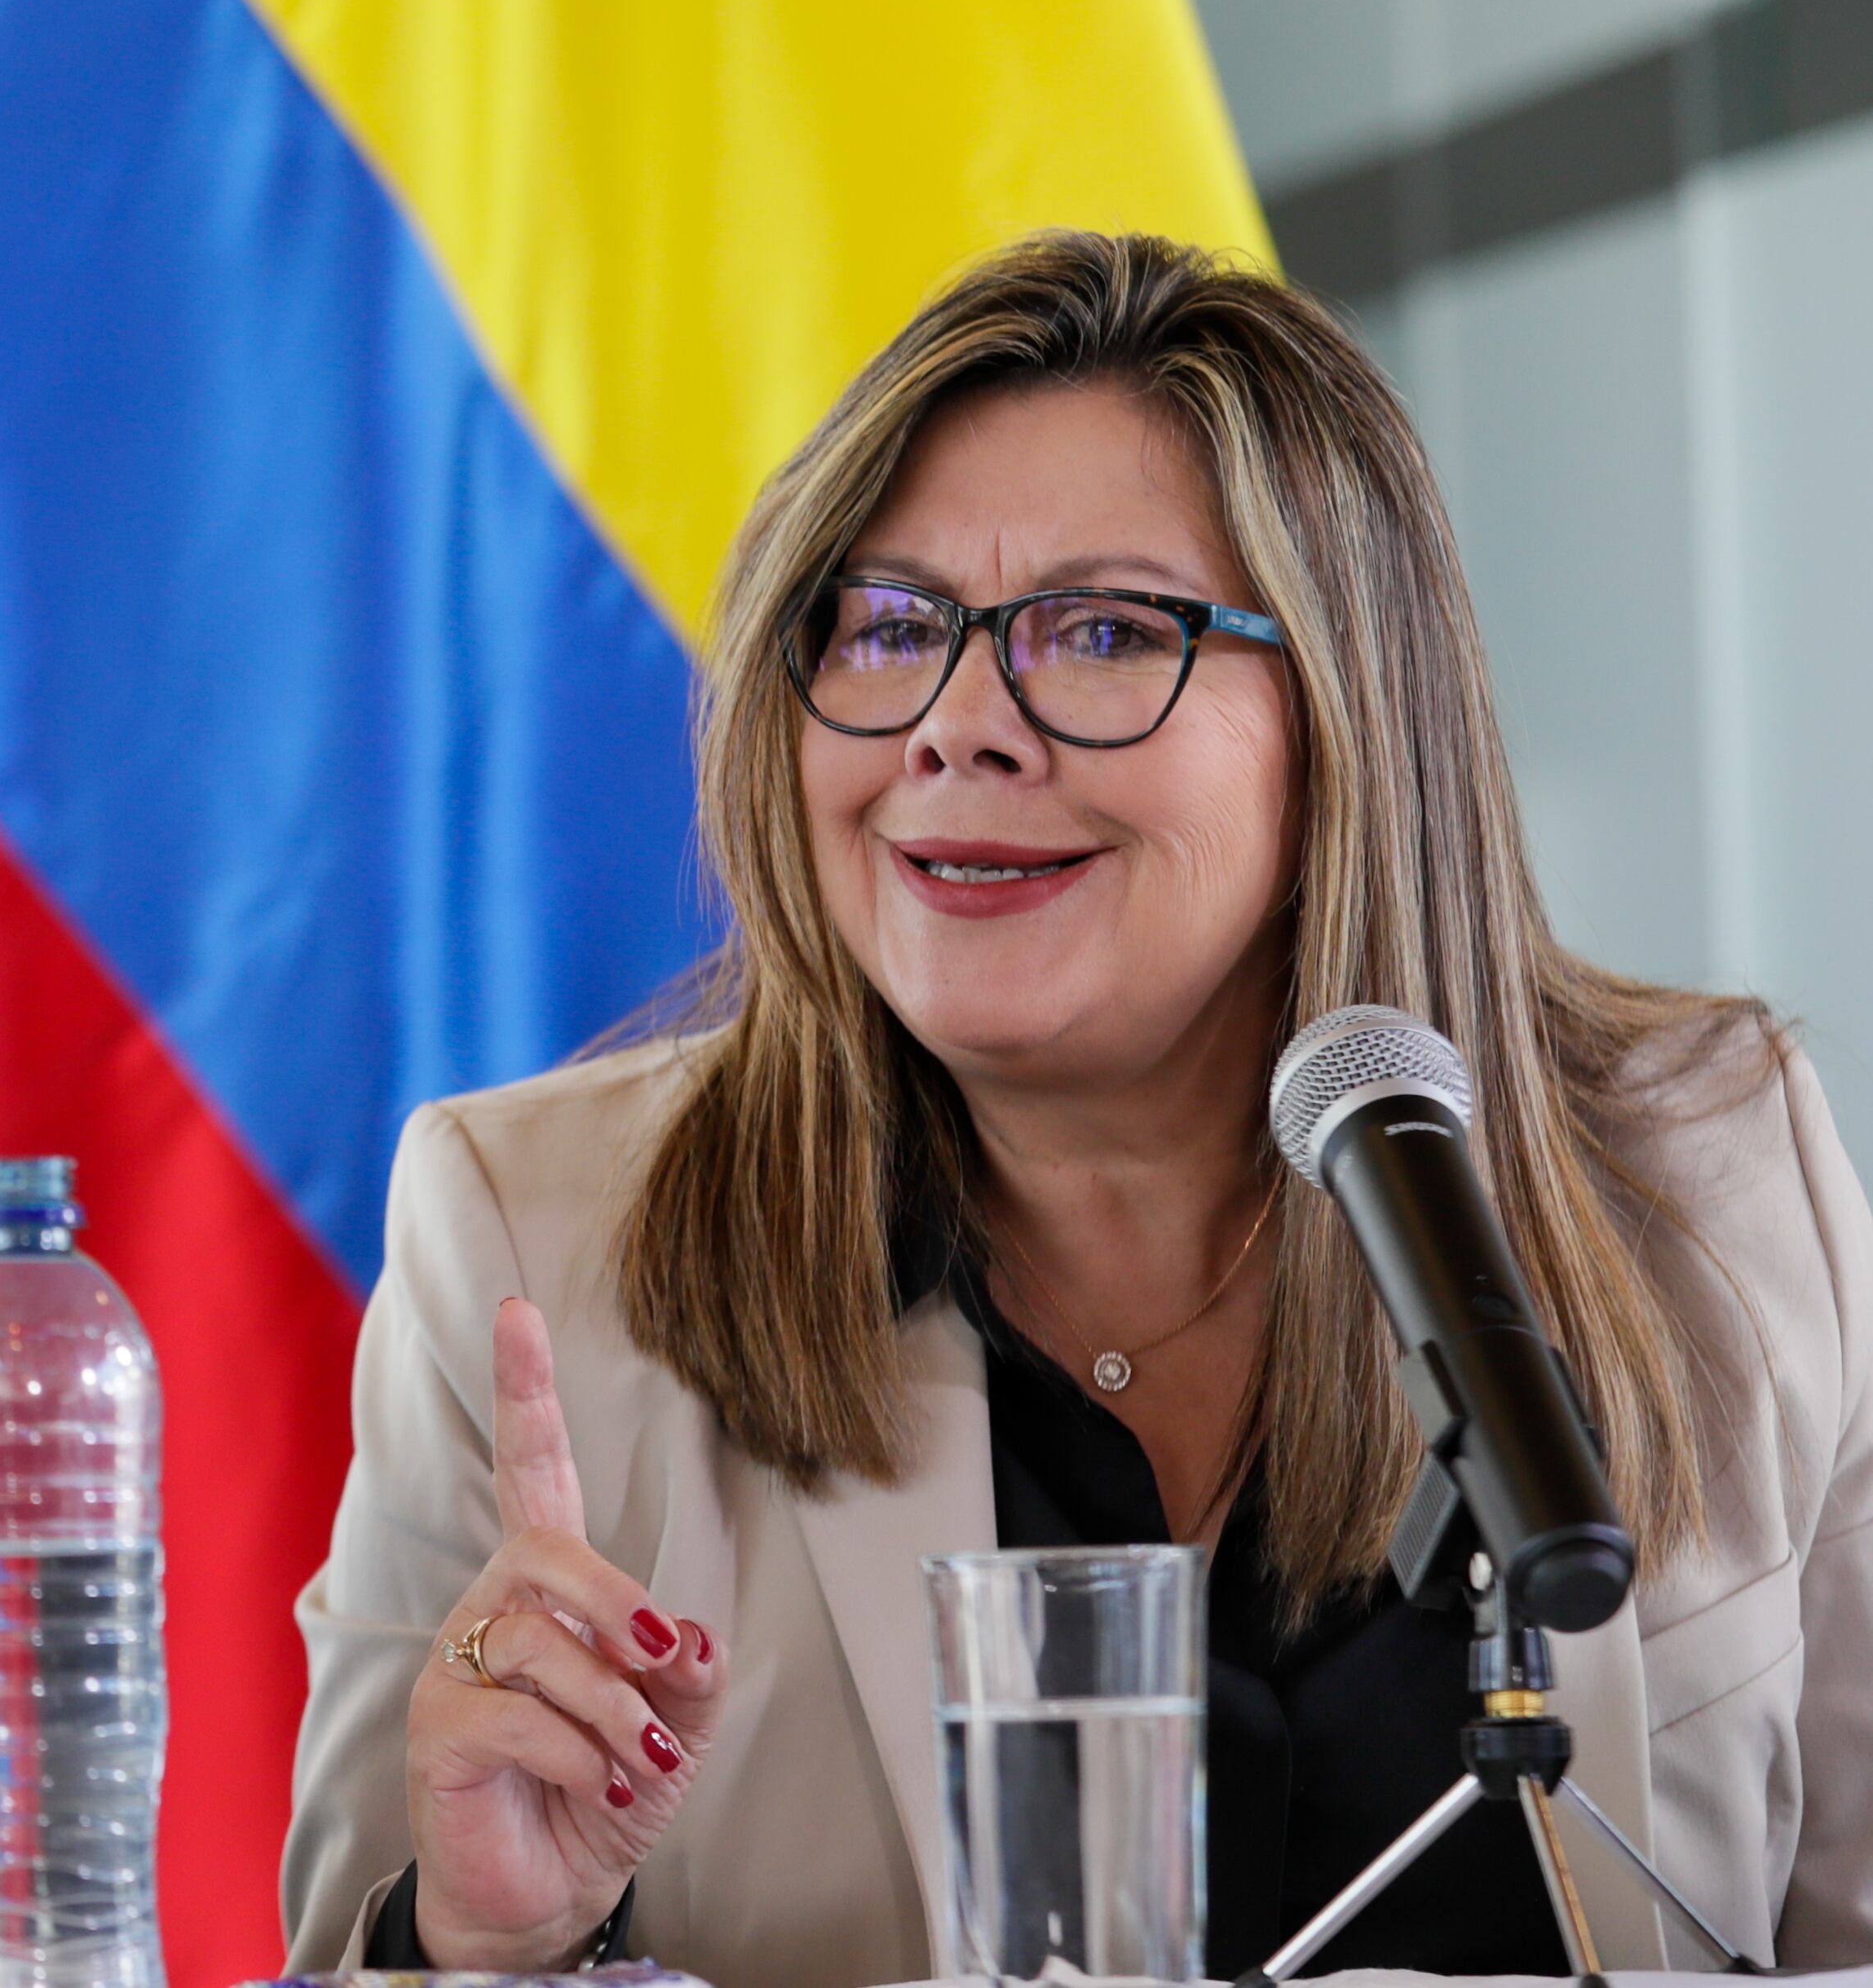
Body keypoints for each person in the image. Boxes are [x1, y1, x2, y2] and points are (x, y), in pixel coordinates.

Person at [281, 232, 1873, 1984]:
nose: (956, 729)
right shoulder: (526, 1241)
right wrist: (467, 1943)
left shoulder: (1717, 1174)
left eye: (1103, 632)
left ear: (1348, 712)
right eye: (887, 628)